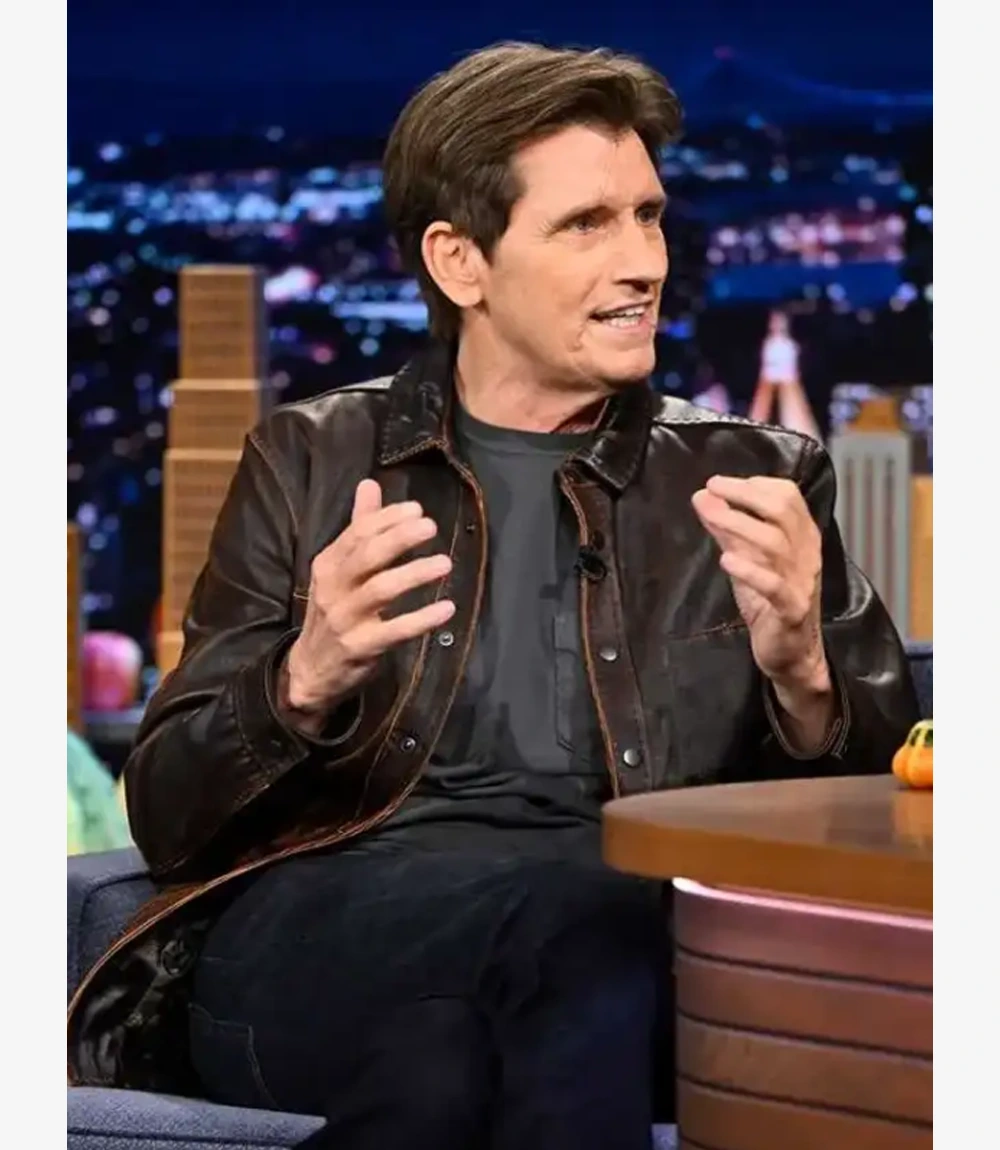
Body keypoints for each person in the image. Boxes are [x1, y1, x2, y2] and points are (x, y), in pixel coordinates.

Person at [67, 43, 918, 1150]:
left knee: (442, 1067)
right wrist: (302, 678)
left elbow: (891, 835)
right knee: (574, 929)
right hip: (326, 938)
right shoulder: (314, 458)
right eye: (587, 225)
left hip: (621, 941)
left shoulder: (756, 475)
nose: (643, 262)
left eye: (649, 216)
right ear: (460, 262)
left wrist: (804, 666)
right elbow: (167, 816)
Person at [748, 308, 823, 439]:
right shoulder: (768, 344)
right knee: (760, 413)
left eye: (779, 321)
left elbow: (792, 369)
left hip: (788, 381)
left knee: (794, 414)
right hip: (768, 380)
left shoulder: (790, 345)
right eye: (774, 321)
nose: (776, 324)